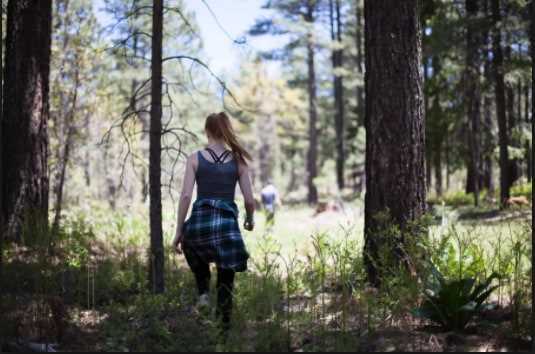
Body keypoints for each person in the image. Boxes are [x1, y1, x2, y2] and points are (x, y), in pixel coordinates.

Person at [172, 112, 255, 332]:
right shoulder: (239, 161)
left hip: (199, 224)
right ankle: (223, 331)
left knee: (193, 250)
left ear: (207, 131)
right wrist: (250, 219)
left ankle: (203, 292)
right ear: (226, 131)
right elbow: (249, 199)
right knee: (226, 278)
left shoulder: (194, 158)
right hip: (226, 228)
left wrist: (179, 230)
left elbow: (186, 197)